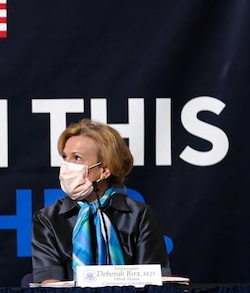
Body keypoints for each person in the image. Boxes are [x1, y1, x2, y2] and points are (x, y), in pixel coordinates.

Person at [31, 119, 169, 284]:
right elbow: (49, 283)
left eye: (77, 158)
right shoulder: (48, 218)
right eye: (65, 157)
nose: (67, 166)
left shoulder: (139, 216)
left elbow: (155, 281)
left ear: (104, 170)